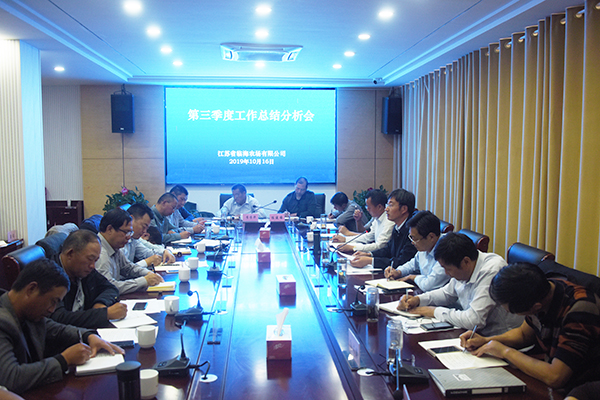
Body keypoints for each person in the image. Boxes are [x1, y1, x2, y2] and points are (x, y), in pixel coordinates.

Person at [461, 263, 600, 390]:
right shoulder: (542, 289)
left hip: (580, 388)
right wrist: (486, 341)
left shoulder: (580, 311)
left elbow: (555, 377)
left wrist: (505, 351)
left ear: (535, 307)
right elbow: (524, 334)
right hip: (547, 374)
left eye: (510, 311)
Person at [0, 259, 123, 394]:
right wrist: (64, 360)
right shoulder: (3, 321)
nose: (52, 310)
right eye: (53, 301)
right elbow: (11, 378)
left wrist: (89, 336)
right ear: (31, 289)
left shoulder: (28, 311)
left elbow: (58, 330)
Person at [398, 232, 523, 336]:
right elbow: (447, 293)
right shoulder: (464, 266)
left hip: (501, 340)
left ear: (466, 262)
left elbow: (474, 320)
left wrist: (433, 311)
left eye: (448, 269)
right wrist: (418, 299)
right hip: (475, 336)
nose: (446, 273)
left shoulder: (491, 270)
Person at [49, 230, 126, 328]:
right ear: (70, 254)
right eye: (90, 259)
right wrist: (103, 314)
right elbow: (59, 318)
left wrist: (100, 303)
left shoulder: (83, 270)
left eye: (95, 260)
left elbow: (110, 288)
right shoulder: (52, 276)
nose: (93, 266)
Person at [95, 208, 163, 295]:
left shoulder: (114, 246)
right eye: (126, 232)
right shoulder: (100, 253)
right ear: (110, 229)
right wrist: (144, 281)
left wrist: (148, 273)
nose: (128, 237)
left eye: (130, 232)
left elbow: (128, 268)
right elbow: (109, 287)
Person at [350, 189, 417, 269]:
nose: (386, 209)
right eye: (387, 205)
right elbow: (388, 249)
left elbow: (402, 262)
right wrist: (369, 254)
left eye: (390, 205)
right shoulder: (397, 226)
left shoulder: (412, 231)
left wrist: (370, 261)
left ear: (403, 209)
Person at [384, 210, 450, 292]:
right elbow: (413, 264)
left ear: (431, 237)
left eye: (415, 239)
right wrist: (398, 272)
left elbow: (429, 285)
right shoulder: (425, 245)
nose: (412, 242)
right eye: (411, 237)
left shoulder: (446, 250)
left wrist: (412, 277)